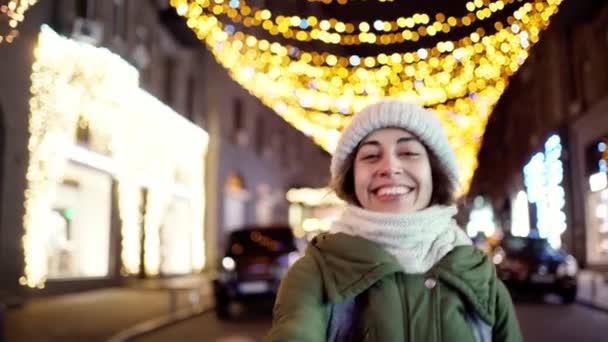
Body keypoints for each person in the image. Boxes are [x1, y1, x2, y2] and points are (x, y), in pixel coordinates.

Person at [264, 99, 523, 341]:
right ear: (351, 179)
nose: (389, 167)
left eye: (409, 152)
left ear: (434, 173)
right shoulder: (316, 272)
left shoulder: (478, 272)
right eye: (370, 156)